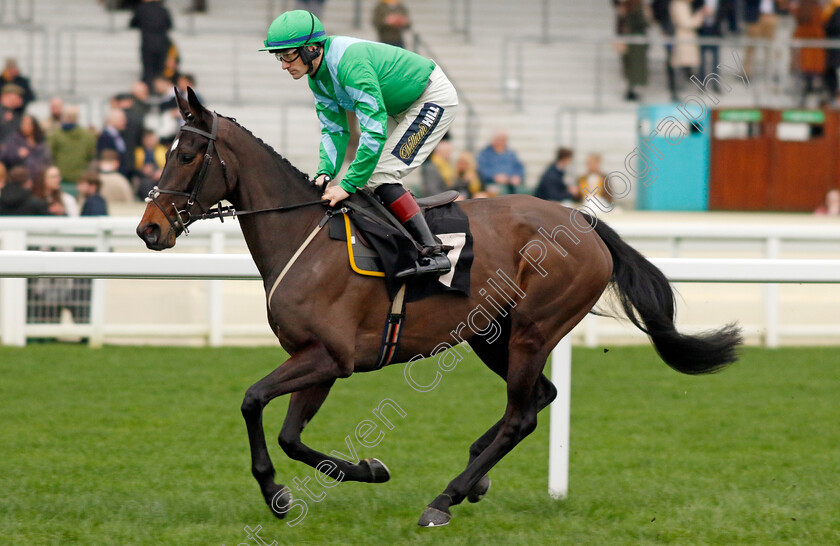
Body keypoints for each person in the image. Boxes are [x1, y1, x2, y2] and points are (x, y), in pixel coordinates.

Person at [261, 10, 459, 277]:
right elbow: (334, 130)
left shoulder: (349, 66)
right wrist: (325, 172)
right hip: (402, 105)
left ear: (310, 49)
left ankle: (432, 251)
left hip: (431, 99)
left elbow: (373, 131)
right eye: (279, 57)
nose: (283, 64)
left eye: (287, 55)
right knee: (368, 178)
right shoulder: (317, 78)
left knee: (379, 175)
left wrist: (347, 183)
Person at [48, 105, 97, 185]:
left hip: (61, 177)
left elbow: (52, 154)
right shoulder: (88, 135)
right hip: (80, 177)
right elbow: (91, 155)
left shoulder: (56, 134)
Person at [129, 0, 173, 90]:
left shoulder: (141, 9)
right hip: (162, 43)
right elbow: (169, 24)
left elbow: (133, 23)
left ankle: (150, 89)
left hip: (148, 43)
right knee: (160, 69)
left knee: (148, 69)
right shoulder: (163, 10)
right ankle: (160, 90)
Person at [793, 0, 826, 107]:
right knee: (809, 81)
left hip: (809, 54)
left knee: (809, 81)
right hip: (810, 55)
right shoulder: (814, 9)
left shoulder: (808, 9)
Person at [1, 114, 51, 181]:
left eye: (27, 124)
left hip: (37, 180)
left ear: (33, 126)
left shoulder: (40, 142)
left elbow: (46, 161)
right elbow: (3, 156)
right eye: (23, 123)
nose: (24, 126)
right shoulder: (14, 139)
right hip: (17, 179)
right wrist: (17, 154)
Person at [670, 0, 707, 87]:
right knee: (680, 64)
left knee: (684, 64)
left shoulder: (682, 5)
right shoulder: (679, 5)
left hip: (686, 36)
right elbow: (686, 23)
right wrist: (700, 15)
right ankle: (676, 89)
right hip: (683, 37)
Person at [617, 0, 648, 101]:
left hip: (632, 41)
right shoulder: (634, 7)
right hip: (634, 43)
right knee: (633, 68)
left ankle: (631, 91)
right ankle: (631, 91)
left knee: (631, 68)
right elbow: (642, 23)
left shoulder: (628, 7)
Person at [476, 130, 525, 195]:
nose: (502, 142)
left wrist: (517, 176)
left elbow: (519, 168)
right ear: (494, 139)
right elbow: (480, 170)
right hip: (491, 184)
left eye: (504, 140)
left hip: (510, 185)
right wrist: (494, 177)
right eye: (500, 139)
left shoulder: (511, 154)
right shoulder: (485, 154)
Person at [743, 0, 779, 78]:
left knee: (770, 46)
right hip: (755, 16)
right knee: (751, 46)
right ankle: (746, 72)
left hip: (771, 15)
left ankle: (770, 72)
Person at [97, 108, 131, 178]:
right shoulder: (104, 137)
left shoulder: (120, 135)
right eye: (122, 120)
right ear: (113, 120)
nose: (125, 122)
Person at [134, 128, 166, 199]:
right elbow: (135, 167)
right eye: (147, 139)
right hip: (144, 177)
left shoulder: (163, 150)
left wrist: (160, 172)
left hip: (159, 177)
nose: (149, 141)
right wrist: (143, 169)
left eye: (151, 138)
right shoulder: (139, 151)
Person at [823, 0, 840, 105]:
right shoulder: (833, 9)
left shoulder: (836, 10)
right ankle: (834, 97)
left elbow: (831, 27)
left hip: (836, 50)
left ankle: (835, 97)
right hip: (834, 51)